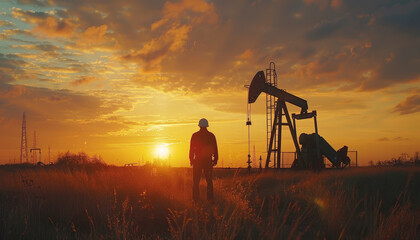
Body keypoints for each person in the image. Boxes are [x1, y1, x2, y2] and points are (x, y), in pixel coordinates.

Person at [189, 118, 218, 202]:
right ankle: (210, 199)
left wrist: (191, 159)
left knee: (196, 181)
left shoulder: (195, 135)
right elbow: (215, 148)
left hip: (198, 160)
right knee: (209, 181)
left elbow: (191, 149)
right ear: (206, 126)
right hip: (208, 161)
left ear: (200, 126)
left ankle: (195, 200)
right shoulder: (211, 136)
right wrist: (215, 159)